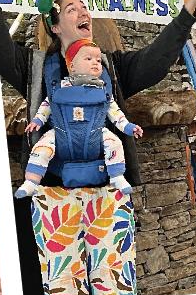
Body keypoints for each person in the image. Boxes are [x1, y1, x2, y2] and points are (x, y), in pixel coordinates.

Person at [0, 0, 196, 295]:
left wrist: (189, 8)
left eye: (84, 7)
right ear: (54, 25)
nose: (84, 13)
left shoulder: (112, 67)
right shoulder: (34, 68)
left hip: (108, 196)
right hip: (53, 197)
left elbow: (158, 56)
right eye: (71, 9)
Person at [16, 37, 143, 198]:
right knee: (42, 148)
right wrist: (37, 120)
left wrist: (129, 127)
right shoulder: (60, 87)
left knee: (114, 143)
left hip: (95, 134)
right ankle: (31, 182)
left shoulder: (104, 92)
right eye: (88, 58)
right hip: (61, 134)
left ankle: (117, 176)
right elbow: (48, 105)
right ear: (72, 66)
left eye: (98, 59)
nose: (95, 62)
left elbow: (116, 114)